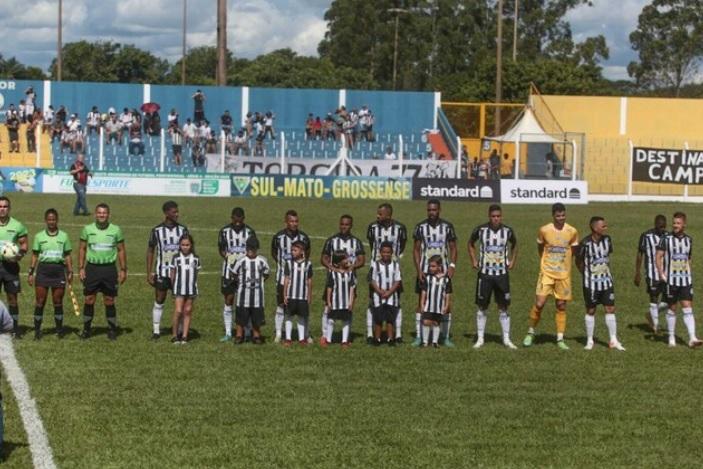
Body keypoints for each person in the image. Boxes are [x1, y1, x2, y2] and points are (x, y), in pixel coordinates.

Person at [522, 203, 579, 350]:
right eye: (558, 216)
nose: (561, 218)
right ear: (553, 215)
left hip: (563, 275)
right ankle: (530, 332)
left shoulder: (572, 231)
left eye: (563, 215)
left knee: (561, 306)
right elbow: (540, 248)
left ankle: (560, 338)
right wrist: (546, 262)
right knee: (539, 304)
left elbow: (574, 250)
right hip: (546, 273)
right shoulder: (544, 230)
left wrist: (565, 265)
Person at [468, 204, 518, 349]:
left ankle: (506, 339)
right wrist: (473, 260)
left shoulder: (507, 231)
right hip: (485, 274)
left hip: (502, 275)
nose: (496, 219)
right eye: (493, 216)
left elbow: (514, 244)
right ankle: (481, 338)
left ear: (501, 216)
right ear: (489, 217)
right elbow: (470, 243)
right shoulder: (481, 230)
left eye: (498, 216)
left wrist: (513, 260)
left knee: (503, 306)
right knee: (482, 306)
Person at [78, 203, 127, 340]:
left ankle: (112, 329)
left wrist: (123, 269)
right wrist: (81, 267)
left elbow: (121, 249)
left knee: (109, 300)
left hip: (109, 269)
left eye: (104, 213)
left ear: (108, 215)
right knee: (89, 299)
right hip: (92, 268)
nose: (102, 215)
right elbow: (82, 248)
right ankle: (87, 329)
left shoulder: (116, 230)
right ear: (95, 214)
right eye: (99, 213)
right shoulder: (87, 229)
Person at [412, 199, 457, 347]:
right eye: (429, 210)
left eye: (434, 210)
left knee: (445, 303)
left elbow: (453, 248)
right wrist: (419, 270)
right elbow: (416, 250)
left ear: (439, 210)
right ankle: (419, 336)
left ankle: (445, 337)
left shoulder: (447, 227)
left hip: (443, 273)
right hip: (425, 271)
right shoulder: (420, 227)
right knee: (421, 303)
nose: (432, 213)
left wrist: (451, 266)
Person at [576, 216, 625, 351]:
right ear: (595, 228)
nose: (605, 228)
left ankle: (613, 340)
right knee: (591, 310)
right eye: (603, 226)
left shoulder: (607, 240)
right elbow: (578, 261)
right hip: (591, 283)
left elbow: (607, 256)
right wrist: (585, 274)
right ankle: (590, 340)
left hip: (606, 282)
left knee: (610, 309)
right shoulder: (585, 243)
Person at [655, 212, 702, 348]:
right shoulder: (666, 238)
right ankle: (671, 337)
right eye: (674, 223)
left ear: (684, 225)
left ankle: (692, 338)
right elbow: (658, 256)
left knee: (687, 307)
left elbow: (689, 258)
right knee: (672, 308)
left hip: (685, 280)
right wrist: (661, 273)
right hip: (671, 280)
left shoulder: (689, 240)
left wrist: (689, 272)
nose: (675, 225)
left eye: (678, 223)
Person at [27, 209, 72, 340]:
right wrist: (30, 272)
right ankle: (37, 331)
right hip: (43, 271)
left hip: (58, 271)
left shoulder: (64, 236)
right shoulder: (39, 236)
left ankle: (59, 330)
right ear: (46, 220)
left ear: (57, 220)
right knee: (40, 301)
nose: (51, 222)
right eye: (49, 219)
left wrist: (70, 271)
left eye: (54, 219)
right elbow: (35, 255)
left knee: (58, 301)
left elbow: (67, 255)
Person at [320, 215, 365, 345]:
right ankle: (325, 335)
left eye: (347, 225)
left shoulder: (356, 242)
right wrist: (331, 267)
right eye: (342, 224)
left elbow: (362, 260)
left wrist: (353, 266)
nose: (344, 227)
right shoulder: (331, 240)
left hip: (350, 281)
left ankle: (346, 338)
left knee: (349, 307)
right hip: (333, 279)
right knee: (328, 306)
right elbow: (323, 258)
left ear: (351, 226)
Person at [365, 203, 407, 343]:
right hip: (376, 269)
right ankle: (371, 335)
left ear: (388, 215)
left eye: (380, 214)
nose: (377, 216)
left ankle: (397, 334)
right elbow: (372, 245)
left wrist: (394, 259)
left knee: (396, 302)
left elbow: (402, 245)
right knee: (372, 301)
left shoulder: (400, 228)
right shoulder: (372, 228)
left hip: (394, 269)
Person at [146, 201, 188, 340]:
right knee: (159, 299)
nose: (177, 214)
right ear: (166, 213)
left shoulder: (183, 230)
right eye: (174, 212)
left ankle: (181, 330)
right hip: (162, 272)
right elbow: (151, 250)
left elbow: (188, 249)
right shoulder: (157, 230)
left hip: (179, 273)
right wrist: (149, 272)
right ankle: (156, 330)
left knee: (180, 301)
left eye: (177, 211)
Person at [271, 210, 311, 343]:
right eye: (291, 221)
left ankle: (305, 334)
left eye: (296, 221)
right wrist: (283, 265)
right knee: (282, 305)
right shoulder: (278, 237)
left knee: (303, 308)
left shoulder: (304, 237)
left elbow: (308, 253)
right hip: (282, 277)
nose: (294, 224)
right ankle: (278, 333)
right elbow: (274, 252)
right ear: (286, 222)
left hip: (299, 279)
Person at [218, 207, 257, 341]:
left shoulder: (250, 232)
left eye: (240, 219)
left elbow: (254, 249)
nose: (238, 222)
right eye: (236, 218)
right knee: (229, 300)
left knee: (246, 301)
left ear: (243, 218)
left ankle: (247, 330)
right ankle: (229, 332)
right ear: (232, 217)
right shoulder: (224, 231)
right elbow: (221, 249)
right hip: (228, 272)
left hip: (245, 273)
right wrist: (228, 256)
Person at [231, 238, 269, 345]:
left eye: (253, 248)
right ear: (246, 248)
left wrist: (259, 282)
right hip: (243, 295)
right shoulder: (241, 260)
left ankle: (256, 335)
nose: (251, 251)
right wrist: (240, 282)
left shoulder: (262, 261)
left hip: (257, 296)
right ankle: (239, 335)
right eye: (249, 248)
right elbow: (234, 273)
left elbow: (266, 274)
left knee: (256, 318)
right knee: (240, 317)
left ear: (257, 249)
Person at [634, 214, 668, 333]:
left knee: (668, 301)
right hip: (651, 273)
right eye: (660, 227)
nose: (662, 229)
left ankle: (650, 315)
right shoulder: (646, 236)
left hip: (666, 273)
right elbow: (640, 254)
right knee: (654, 297)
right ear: (655, 225)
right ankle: (655, 325)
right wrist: (637, 273)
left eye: (664, 227)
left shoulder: (668, 236)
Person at [0, 197, 29, 337]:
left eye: (5, 206)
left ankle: (14, 328)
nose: (2, 209)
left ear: (9, 208)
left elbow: (24, 244)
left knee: (12, 298)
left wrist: (19, 255)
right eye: (0, 206)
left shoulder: (17, 226)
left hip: (10, 267)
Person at [368, 242, 402, 346]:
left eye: (388, 252)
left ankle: (390, 339)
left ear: (392, 253)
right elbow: (372, 280)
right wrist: (378, 290)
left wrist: (390, 292)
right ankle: (377, 339)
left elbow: (397, 281)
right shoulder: (375, 264)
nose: (386, 254)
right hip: (378, 296)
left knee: (390, 319)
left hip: (392, 296)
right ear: (380, 252)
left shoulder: (396, 265)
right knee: (378, 319)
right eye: (384, 252)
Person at [169, 234, 201, 345]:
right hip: (178, 288)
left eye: (187, 245)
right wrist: (173, 287)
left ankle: (184, 336)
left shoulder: (196, 259)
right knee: (178, 310)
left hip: (191, 289)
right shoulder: (176, 257)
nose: (185, 247)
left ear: (191, 245)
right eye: (183, 245)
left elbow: (196, 274)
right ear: (179, 245)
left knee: (187, 311)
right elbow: (172, 273)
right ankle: (174, 335)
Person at [282, 241, 313, 346]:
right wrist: (284, 294)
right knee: (289, 316)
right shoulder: (289, 263)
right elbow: (286, 279)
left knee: (301, 317)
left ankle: (301, 339)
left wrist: (309, 295)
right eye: (292, 250)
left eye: (295, 250)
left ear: (302, 251)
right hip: (291, 295)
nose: (292, 252)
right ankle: (288, 338)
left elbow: (309, 281)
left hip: (302, 296)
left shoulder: (308, 264)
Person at [323, 251, 356, 348]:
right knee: (331, 320)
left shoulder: (350, 274)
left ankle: (344, 341)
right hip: (335, 303)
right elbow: (329, 289)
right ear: (338, 263)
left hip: (346, 303)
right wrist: (329, 302)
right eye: (345, 259)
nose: (347, 260)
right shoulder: (333, 274)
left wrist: (351, 302)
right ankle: (328, 340)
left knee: (346, 320)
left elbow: (352, 289)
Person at [420, 256, 451, 348]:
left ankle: (435, 342)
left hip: (439, 305)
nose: (430, 268)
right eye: (430, 266)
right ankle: (425, 342)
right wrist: (422, 303)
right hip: (429, 305)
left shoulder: (446, 279)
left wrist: (446, 305)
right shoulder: (428, 278)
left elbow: (447, 294)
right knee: (426, 322)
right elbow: (424, 291)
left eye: (433, 266)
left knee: (436, 323)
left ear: (439, 266)